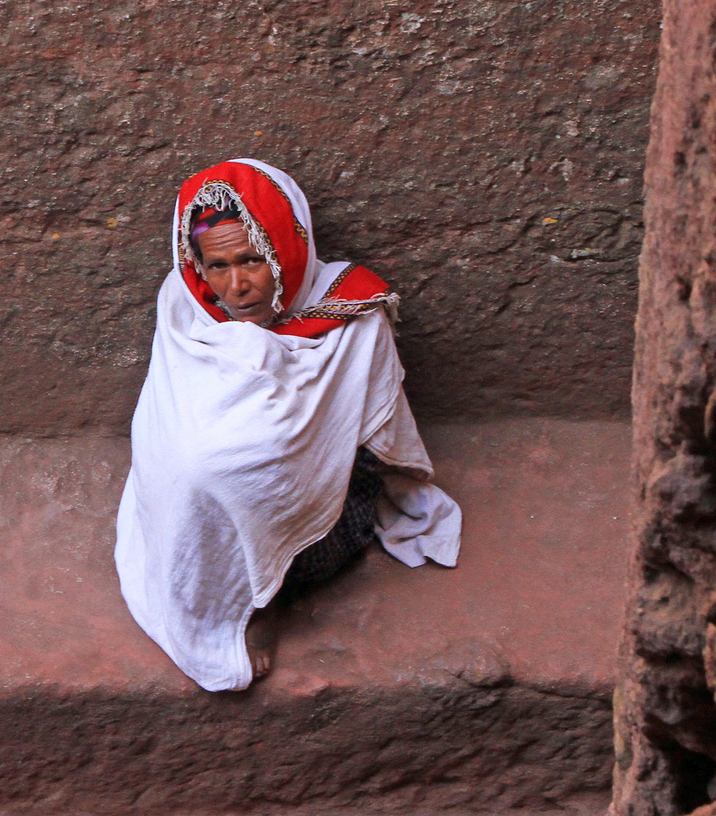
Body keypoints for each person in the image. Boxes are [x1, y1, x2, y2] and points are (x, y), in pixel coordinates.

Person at [114, 159, 461, 692]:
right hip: (203, 513)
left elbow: (372, 438)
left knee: (234, 475)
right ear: (197, 266)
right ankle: (215, 580)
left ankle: (265, 594)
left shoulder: (351, 313)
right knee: (190, 469)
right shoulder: (185, 311)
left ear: (288, 248)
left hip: (320, 516)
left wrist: (275, 462)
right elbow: (166, 424)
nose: (237, 286)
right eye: (218, 266)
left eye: (253, 259)